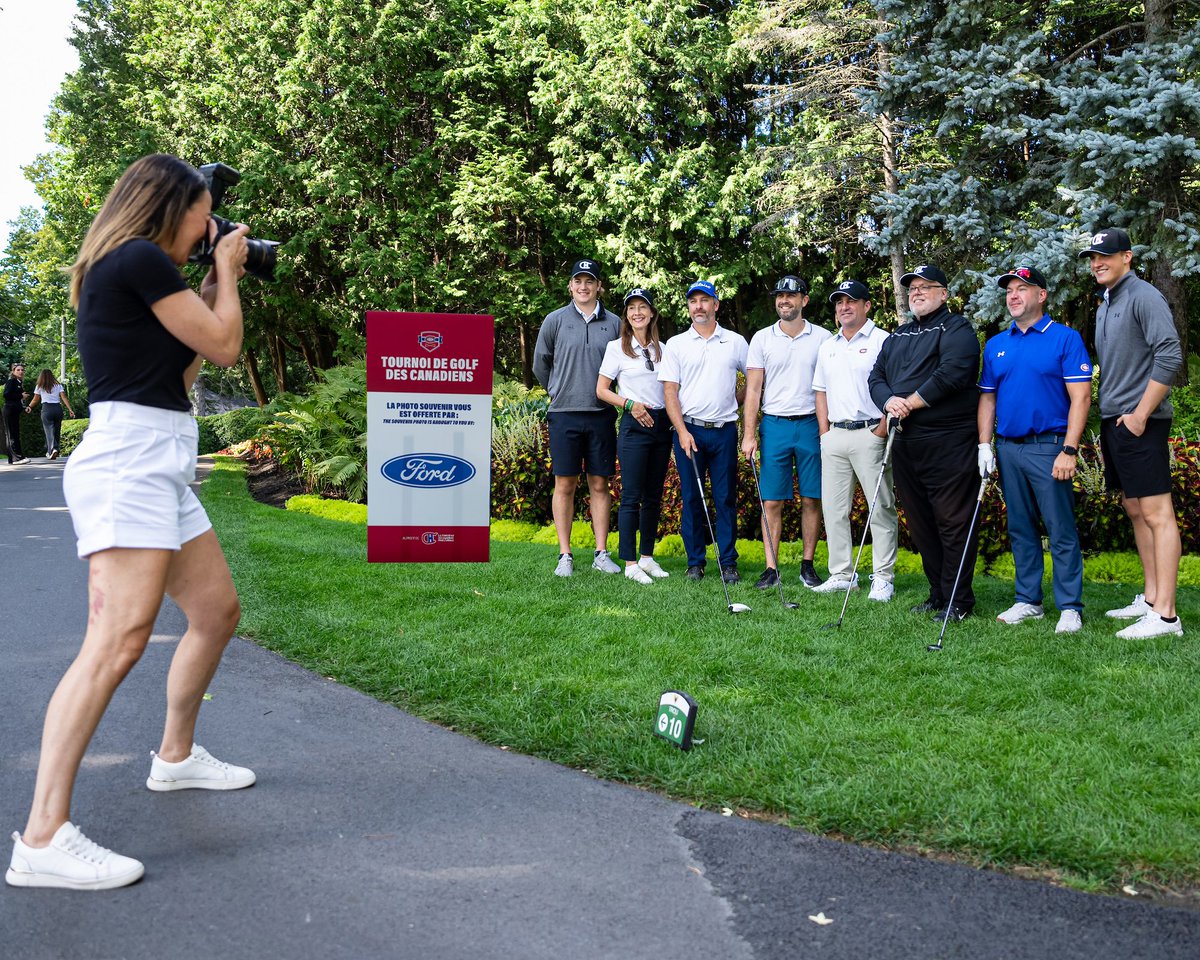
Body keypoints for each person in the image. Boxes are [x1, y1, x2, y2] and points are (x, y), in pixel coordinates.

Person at [7, 154, 253, 892]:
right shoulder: (139, 258)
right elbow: (226, 344)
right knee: (116, 643)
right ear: (168, 208)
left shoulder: (137, 269)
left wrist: (211, 284)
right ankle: (43, 837)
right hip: (128, 465)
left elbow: (178, 375)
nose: (208, 229)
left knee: (215, 612)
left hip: (159, 457)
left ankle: (176, 759)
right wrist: (231, 275)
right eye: (202, 214)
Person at [1082, 228, 1184, 639]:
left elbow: (1170, 352)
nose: (1097, 263)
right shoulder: (1108, 301)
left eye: (1105, 256)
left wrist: (1142, 413)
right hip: (1117, 421)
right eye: (1092, 257)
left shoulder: (1143, 295)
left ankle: (1166, 617)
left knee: (1158, 514)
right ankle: (1150, 597)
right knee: (1137, 510)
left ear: (1127, 256)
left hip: (1141, 421)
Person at [978, 266, 1091, 634]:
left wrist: (1069, 450)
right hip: (1009, 449)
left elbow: (1081, 397)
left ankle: (1070, 606)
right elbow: (988, 400)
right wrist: (985, 445)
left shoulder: (1065, 339)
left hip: (1050, 447)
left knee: (1060, 529)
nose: (1013, 295)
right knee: (1021, 528)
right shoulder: (997, 344)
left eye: (1022, 289)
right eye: (1009, 290)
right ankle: (1029, 601)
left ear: (1041, 295)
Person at [868, 264, 982, 621]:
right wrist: (889, 402)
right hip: (906, 442)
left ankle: (959, 601)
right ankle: (938, 593)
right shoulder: (897, 336)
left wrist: (910, 402)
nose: (917, 292)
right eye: (912, 288)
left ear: (943, 293)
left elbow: (952, 374)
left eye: (926, 287)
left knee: (953, 522)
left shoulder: (957, 328)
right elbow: (876, 377)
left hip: (949, 442)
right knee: (921, 524)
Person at [533, 259, 623, 578]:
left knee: (600, 483)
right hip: (563, 414)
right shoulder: (554, 320)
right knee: (565, 483)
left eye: (590, 281)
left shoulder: (614, 323)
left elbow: (624, 365)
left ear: (599, 286)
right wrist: (557, 390)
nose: (583, 286)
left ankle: (601, 552)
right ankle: (565, 555)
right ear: (570, 286)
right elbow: (541, 363)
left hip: (601, 415)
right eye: (578, 281)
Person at [741, 275, 830, 590]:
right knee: (772, 501)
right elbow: (753, 391)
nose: (784, 301)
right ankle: (771, 568)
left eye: (791, 296)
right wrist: (748, 433)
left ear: (804, 301)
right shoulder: (762, 338)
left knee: (812, 498)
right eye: (780, 296)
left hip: (810, 424)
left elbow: (830, 387)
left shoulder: (823, 338)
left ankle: (808, 565)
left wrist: (827, 430)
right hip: (775, 424)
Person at [812, 279, 898, 601]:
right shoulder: (828, 346)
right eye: (839, 303)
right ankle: (842, 574)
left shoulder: (882, 340)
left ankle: (883, 577)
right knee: (834, 510)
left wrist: (881, 428)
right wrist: (824, 432)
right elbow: (820, 390)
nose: (844, 307)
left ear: (867, 305)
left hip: (870, 433)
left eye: (851, 301)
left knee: (880, 507)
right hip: (835, 435)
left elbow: (895, 387)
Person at [659, 280, 748, 582]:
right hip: (689, 432)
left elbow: (755, 378)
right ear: (689, 307)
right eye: (693, 301)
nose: (698, 306)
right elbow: (670, 391)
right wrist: (681, 430)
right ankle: (695, 562)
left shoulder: (735, 342)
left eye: (704, 300)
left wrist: (737, 399)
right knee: (692, 498)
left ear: (716, 305)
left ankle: (728, 563)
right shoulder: (676, 344)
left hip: (724, 431)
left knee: (725, 498)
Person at [596, 289, 673, 584]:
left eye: (643, 307)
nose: (637, 312)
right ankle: (629, 562)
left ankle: (647, 558)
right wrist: (629, 403)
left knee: (654, 496)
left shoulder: (663, 349)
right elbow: (602, 390)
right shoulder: (617, 348)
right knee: (631, 496)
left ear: (652, 313)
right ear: (627, 315)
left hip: (661, 423)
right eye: (632, 308)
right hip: (634, 423)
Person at [26, 369, 77, 459]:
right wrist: (70, 409)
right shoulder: (58, 385)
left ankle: (53, 449)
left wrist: (29, 406)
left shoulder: (40, 386)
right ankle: (51, 450)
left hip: (47, 409)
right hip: (58, 409)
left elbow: (35, 399)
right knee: (56, 430)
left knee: (49, 430)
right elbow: (63, 397)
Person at [4, 361, 31, 465]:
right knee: (11, 434)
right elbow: (6, 395)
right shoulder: (12, 382)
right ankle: (16, 458)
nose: (21, 372)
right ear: (13, 371)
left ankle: (17, 456)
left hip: (15, 411)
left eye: (22, 370)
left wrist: (24, 406)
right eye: (18, 370)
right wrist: (21, 396)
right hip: (10, 410)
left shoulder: (19, 383)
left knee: (15, 433)